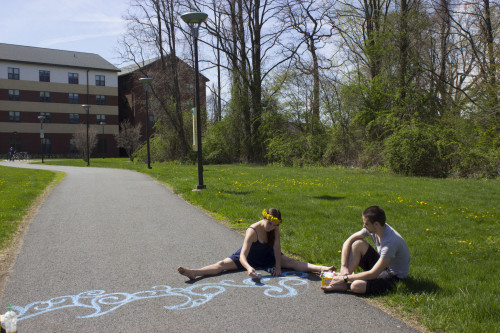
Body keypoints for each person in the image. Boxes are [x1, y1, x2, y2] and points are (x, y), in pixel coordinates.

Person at [178, 208, 334, 279]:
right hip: (249, 259)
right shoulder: (252, 230)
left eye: (276, 226)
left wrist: (278, 266)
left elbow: (277, 247)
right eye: (271, 225)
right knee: (221, 265)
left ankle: (323, 268)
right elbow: (243, 256)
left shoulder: (275, 228)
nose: (273, 228)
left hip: (268, 256)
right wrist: (248, 268)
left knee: (292, 262)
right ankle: (194, 272)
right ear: (265, 219)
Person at [321, 206, 410, 294]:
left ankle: (343, 281)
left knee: (356, 286)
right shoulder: (376, 228)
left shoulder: (390, 243)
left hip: (395, 276)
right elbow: (349, 241)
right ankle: (343, 278)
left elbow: (373, 274)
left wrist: (345, 279)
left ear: (376, 224)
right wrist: (344, 266)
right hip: (384, 266)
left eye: (366, 224)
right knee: (358, 244)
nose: (364, 226)